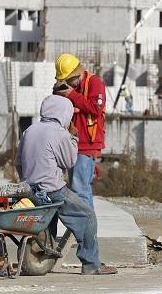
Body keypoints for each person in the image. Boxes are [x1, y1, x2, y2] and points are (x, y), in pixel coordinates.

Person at [16, 95, 117, 275]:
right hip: (53, 190)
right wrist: (73, 137)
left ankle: (42, 256)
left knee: (48, 221)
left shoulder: (29, 130)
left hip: (30, 190)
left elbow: (18, 162)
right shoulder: (60, 133)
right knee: (87, 217)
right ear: (63, 113)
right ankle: (91, 265)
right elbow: (70, 161)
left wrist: (28, 179)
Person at [53, 53, 105, 210]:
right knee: (75, 189)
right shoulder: (72, 88)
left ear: (77, 73)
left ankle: (87, 230)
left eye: (68, 80)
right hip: (70, 142)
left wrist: (71, 95)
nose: (67, 84)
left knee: (80, 189)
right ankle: (80, 229)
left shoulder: (95, 83)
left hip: (86, 144)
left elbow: (96, 108)